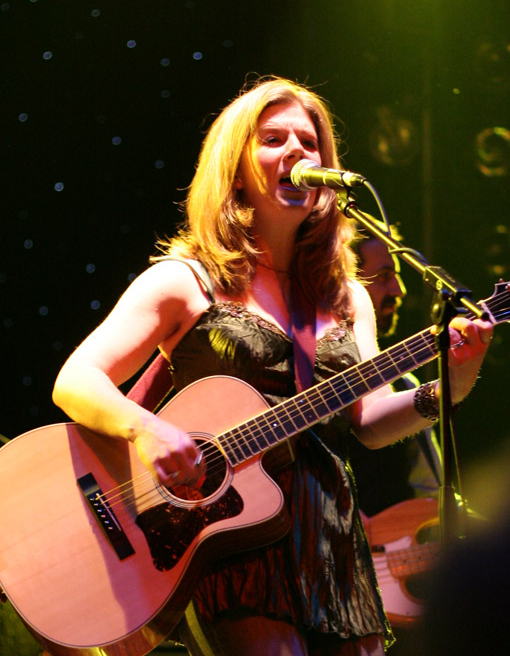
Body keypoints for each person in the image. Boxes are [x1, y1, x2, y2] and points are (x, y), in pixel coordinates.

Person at [52, 77, 492, 656]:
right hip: (229, 541)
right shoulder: (187, 280)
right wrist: (147, 429)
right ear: (236, 168)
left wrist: (453, 381)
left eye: (309, 144)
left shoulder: (346, 298)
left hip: (332, 540)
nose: (297, 153)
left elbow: (365, 422)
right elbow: (75, 380)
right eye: (273, 138)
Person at [349, 229, 442, 518]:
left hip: (394, 556)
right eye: (385, 276)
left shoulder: (403, 382)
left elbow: (431, 490)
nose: (399, 290)